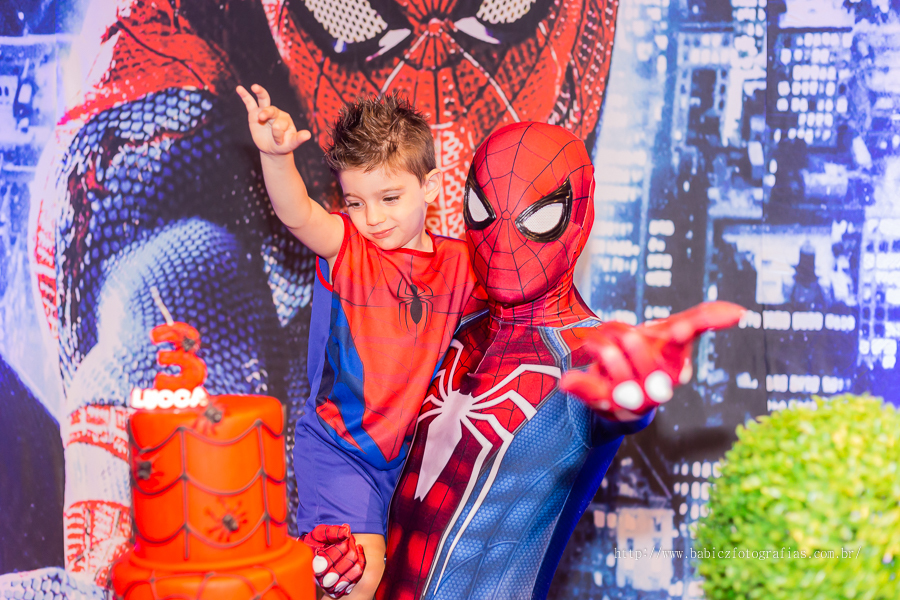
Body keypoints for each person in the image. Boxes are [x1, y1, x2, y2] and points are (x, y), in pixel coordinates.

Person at [237, 85, 485, 599]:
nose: (372, 218)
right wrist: (275, 154)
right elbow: (296, 213)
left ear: (430, 186)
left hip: (415, 461)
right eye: (355, 202)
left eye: (389, 198)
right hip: (340, 450)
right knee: (356, 578)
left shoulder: (463, 264)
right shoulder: (348, 249)